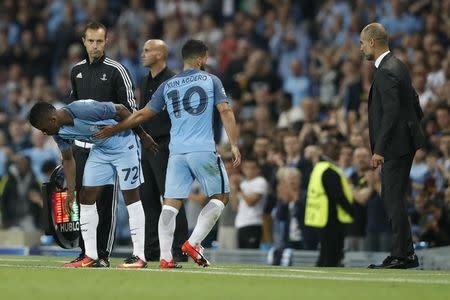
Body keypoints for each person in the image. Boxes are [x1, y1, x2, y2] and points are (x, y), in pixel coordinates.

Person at [95, 39, 241, 268]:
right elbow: (225, 109)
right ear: (202, 59)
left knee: (170, 204)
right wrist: (234, 144)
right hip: (202, 148)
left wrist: (115, 128)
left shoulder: (168, 85)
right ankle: (193, 242)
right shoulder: (211, 80)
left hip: (176, 153)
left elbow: (142, 114)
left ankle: (165, 257)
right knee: (221, 196)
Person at [28, 100, 157, 268]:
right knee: (85, 198)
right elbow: (68, 159)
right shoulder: (58, 133)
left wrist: (143, 135)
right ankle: (90, 255)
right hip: (100, 151)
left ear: (52, 120)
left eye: (43, 128)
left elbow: (122, 110)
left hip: (125, 145)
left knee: (131, 198)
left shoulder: (83, 109)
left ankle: (139, 256)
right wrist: (71, 192)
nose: (44, 133)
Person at [68, 21, 138, 267]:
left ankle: (103, 255)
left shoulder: (117, 70)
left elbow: (132, 110)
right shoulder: (75, 70)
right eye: (91, 41)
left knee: (105, 201)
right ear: (84, 42)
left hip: (109, 147)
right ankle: (85, 252)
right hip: (81, 145)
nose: (95, 46)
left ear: (106, 42)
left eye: (100, 41)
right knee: (83, 200)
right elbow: (72, 110)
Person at [360, 23, 425, 269]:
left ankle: (403, 255)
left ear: (373, 43)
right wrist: (413, 128)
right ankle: (403, 252)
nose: (361, 48)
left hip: (395, 145)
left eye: (362, 43)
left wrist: (380, 149)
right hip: (403, 141)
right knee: (392, 195)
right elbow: (414, 100)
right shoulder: (397, 65)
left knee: (393, 197)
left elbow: (390, 112)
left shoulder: (386, 70)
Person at [139, 39, 188, 261]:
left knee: (172, 199)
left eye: (147, 50)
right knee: (148, 201)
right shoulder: (145, 80)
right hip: (146, 146)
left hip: (166, 145)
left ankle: (178, 251)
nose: (143, 54)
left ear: (160, 54)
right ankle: (152, 252)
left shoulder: (174, 81)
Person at [304, 144, 354, 267]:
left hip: (320, 216)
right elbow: (338, 196)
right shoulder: (330, 171)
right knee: (332, 255)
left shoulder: (318, 169)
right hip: (331, 217)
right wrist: (352, 211)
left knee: (325, 253)